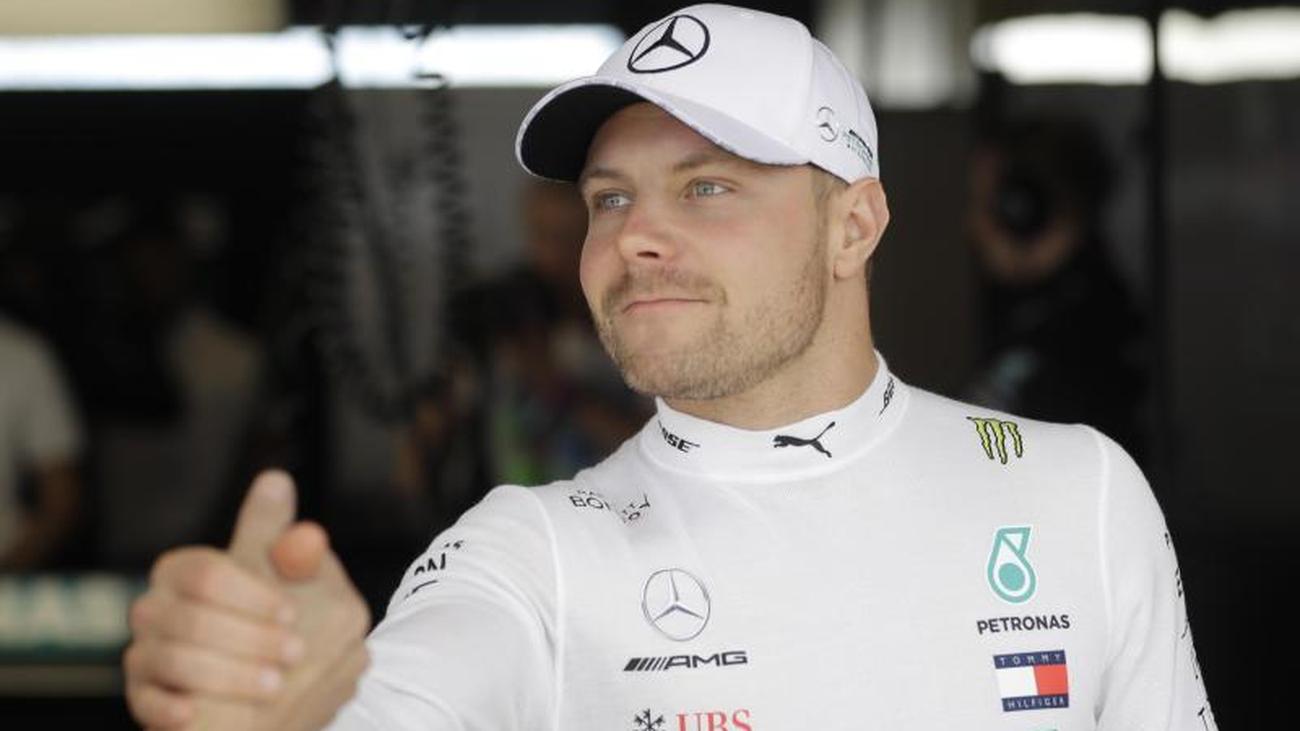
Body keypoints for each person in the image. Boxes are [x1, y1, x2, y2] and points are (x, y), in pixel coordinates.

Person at [122, 5, 1217, 730]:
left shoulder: (1077, 489)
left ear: (854, 225)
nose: (634, 235)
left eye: (706, 186)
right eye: (609, 197)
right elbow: (410, 693)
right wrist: (293, 698)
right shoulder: (531, 551)